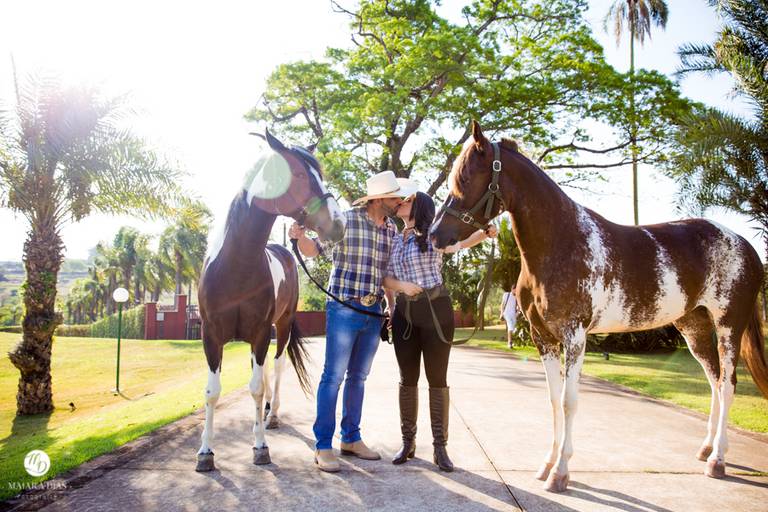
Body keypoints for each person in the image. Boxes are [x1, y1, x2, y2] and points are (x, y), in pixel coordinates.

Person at [289, 170, 418, 473]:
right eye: (395, 196)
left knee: (358, 377)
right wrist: (301, 238)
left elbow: (385, 274)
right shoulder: (345, 220)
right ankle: (323, 445)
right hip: (344, 309)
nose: (400, 201)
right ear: (378, 199)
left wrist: (390, 305)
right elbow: (312, 252)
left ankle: (351, 438)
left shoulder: (389, 231)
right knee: (333, 377)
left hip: (373, 315)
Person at [383, 191, 497, 472]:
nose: (401, 203)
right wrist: (400, 291)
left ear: (418, 206)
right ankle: (407, 442)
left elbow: (462, 244)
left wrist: (486, 233)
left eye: (407, 200)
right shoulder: (394, 240)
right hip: (404, 316)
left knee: (437, 379)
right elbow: (384, 278)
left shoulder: (434, 235)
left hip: (436, 312)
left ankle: (439, 448)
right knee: (406, 379)